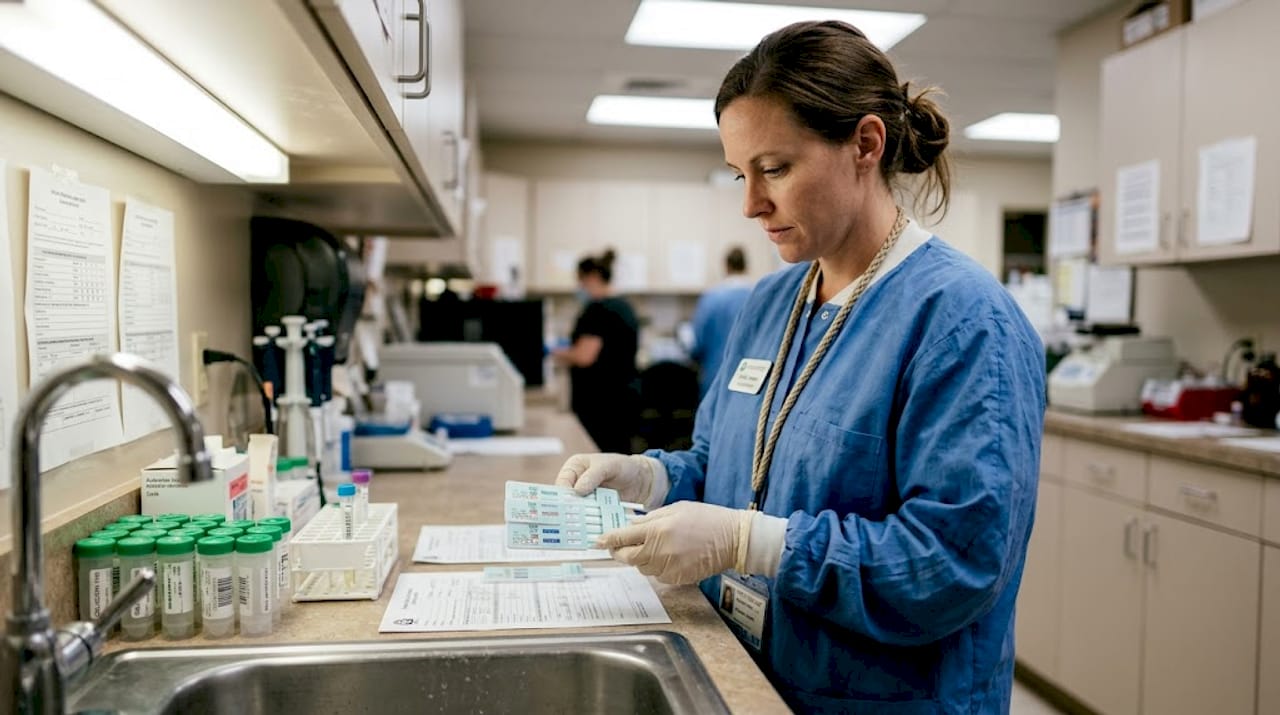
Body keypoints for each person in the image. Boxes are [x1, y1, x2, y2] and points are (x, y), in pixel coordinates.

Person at [554, 20, 1046, 714]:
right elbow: (723, 464)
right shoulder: (771, 302)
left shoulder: (964, 322)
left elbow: (952, 564)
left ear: (865, 145)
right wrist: (652, 476)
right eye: (740, 174)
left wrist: (751, 541)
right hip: (756, 679)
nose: (751, 203)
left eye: (774, 169)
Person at [552, 249, 640, 454]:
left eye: (580, 281)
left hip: (601, 404)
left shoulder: (599, 309)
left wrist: (556, 352)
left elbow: (584, 356)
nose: (579, 287)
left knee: (601, 462)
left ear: (591, 277)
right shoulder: (623, 306)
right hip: (621, 400)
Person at [689, 246, 755, 399]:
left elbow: (697, 344)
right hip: (751, 383)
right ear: (746, 266)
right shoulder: (759, 298)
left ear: (726, 267)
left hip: (715, 378)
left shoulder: (711, 299)